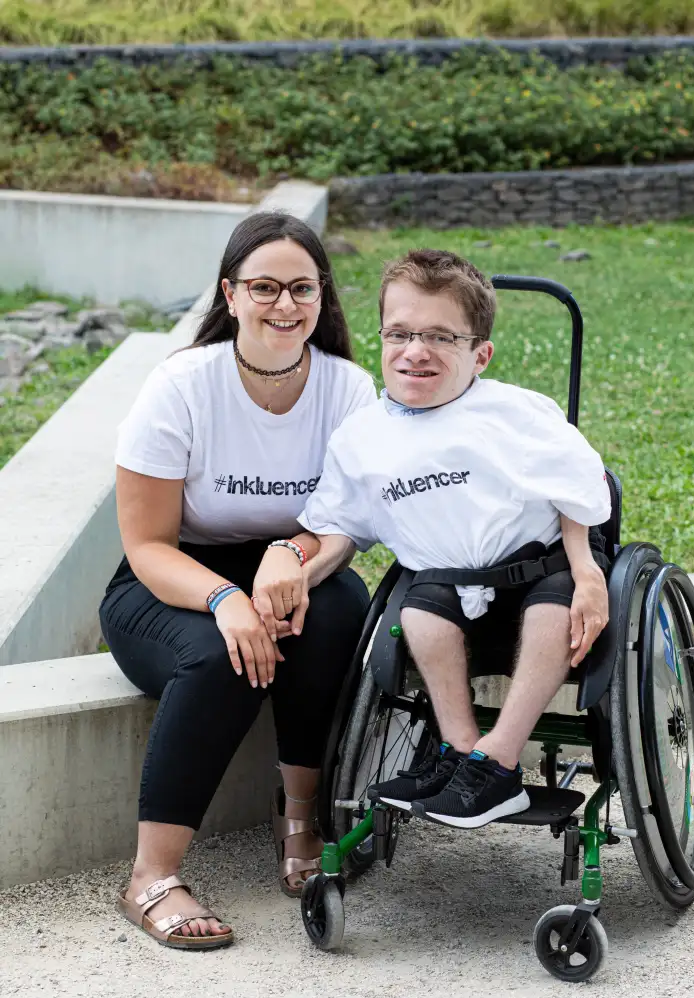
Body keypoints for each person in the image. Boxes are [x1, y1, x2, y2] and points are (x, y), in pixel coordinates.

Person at [99, 212, 375, 949]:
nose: (284, 305)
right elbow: (148, 546)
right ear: (230, 293)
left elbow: (349, 519)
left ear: (322, 296)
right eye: (264, 287)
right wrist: (226, 598)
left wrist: (294, 552)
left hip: (288, 572)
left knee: (341, 612)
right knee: (221, 655)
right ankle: (151, 876)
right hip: (171, 582)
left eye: (301, 289)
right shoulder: (181, 386)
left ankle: (302, 824)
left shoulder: (348, 387)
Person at [298, 249, 611, 830]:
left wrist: (589, 575)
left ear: (480, 354)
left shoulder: (515, 413)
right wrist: (295, 569)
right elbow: (339, 526)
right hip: (446, 583)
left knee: (553, 608)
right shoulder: (362, 437)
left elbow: (579, 488)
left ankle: (500, 764)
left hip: (542, 567)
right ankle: (460, 749)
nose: (415, 351)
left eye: (440, 337)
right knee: (418, 615)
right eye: (400, 333)